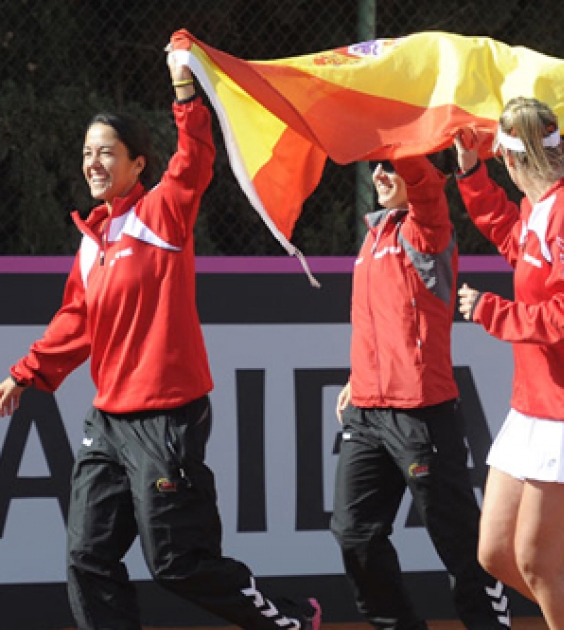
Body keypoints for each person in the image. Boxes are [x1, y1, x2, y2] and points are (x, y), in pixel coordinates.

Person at [0, 40, 320, 630]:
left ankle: (292, 620)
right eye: (86, 153)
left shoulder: (161, 214)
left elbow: (195, 159)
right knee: (87, 557)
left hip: (167, 417)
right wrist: (24, 372)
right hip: (108, 422)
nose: (91, 163)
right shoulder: (91, 239)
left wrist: (183, 90)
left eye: (106, 153)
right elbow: (77, 319)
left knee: (176, 563)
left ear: (137, 164)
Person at [452, 98, 564, 630]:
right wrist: (470, 175)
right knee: (497, 557)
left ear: (511, 161)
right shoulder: (540, 207)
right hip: (534, 404)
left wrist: (493, 311)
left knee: (538, 564)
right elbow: (516, 241)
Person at [331, 156, 510, 630]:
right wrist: (358, 377)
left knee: (457, 543)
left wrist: (391, 129)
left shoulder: (427, 227)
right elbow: (382, 322)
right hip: (366, 414)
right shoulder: (375, 234)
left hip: (422, 413)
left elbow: (422, 179)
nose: (379, 176)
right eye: (374, 166)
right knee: (354, 534)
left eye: (390, 165)